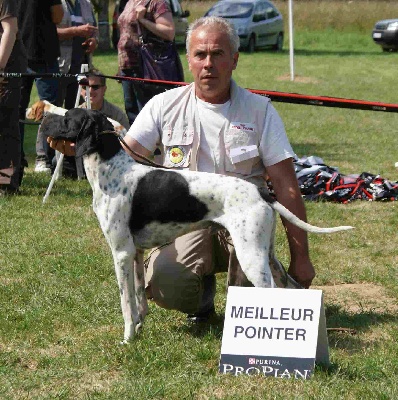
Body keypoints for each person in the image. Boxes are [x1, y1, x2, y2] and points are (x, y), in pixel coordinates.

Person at [48, 17, 316, 322]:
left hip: (242, 216)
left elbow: (287, 187)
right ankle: (201, 302)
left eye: (218, 54)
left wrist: (302, 258)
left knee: (256, 302)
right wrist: (81, 146)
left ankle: (273, 308)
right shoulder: (163, 105)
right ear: (188, 60)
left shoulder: (261, 111)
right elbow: (124, 157)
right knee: (167, 283)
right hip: (187, 222)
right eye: (200, 55)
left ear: (235, 60)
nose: (208, 64)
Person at [17, 0, 64, 175]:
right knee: (50, 110)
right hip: (44, 54)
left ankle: (16, 159)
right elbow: (58, 15)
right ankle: (46, 159)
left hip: (17, 53)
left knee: (16, 109)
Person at [116, 0, 180, 125]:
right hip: (127, 68)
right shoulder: (130, 2)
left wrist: (143, 20)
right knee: (132, 114)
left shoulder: (157, 3)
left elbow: (169, 32)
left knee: (146, 116)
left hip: (145, 67)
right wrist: (121, 67)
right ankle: (137, 144)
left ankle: (152, 144)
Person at [0, 0, 27, 195]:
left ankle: (6, 183)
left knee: (5, 122)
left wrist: (0, 68)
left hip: (7, 68)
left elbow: (11, 29)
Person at [56, 0, 98, 110]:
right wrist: (76, 31)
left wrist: (93, 40)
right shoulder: (56, 3)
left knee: (77, 111)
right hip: (59, 67)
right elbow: (49, 32)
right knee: (56, 110)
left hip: (81, 68)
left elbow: (95, 30)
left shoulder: (87, 4)